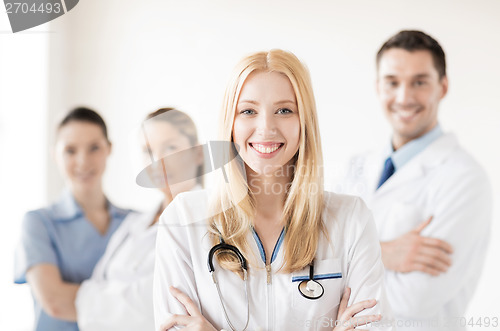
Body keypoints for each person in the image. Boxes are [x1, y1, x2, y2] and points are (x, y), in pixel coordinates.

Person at [153, 49, 394, 331]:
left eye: (284, 110)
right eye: (248, 111)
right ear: (230, 123)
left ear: (304, 122)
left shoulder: (351, 219)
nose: (266, 127)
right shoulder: (182, 220)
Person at [336, 30, 492, 329]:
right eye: (392, 82)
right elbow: (310, 259)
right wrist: (384, 252)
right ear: (378, 87)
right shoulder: (356, 166)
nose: (404, 97)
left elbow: (415, 300)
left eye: (419, 82)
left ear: (442, 87)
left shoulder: (465, 179)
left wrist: (345, 261)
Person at [75, 107, 204, 331]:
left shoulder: (208, 223)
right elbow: (89, 291)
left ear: (198, 153)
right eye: (148, 150)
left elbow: (152, 309)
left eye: (171, 147)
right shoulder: (133, 223)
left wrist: (98, 301)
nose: (159, 160)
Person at [14, 107, 131, 331]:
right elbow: (55, 302)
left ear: (109, 149)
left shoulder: (136, 223)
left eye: (94, 147)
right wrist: (133, 301)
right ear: (55, 154)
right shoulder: (38, 223)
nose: (83, 161)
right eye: (70, 150)